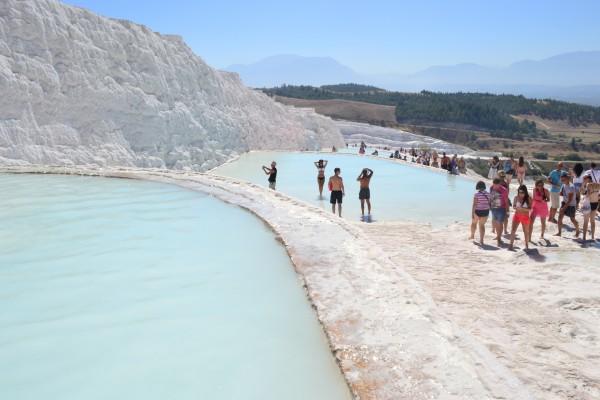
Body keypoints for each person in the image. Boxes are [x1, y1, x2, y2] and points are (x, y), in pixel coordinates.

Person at [555, 171, 580, 237]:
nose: (562, 180)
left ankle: (578, 230)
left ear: (567, 178)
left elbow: (570, 200)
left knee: (572, 219)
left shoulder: (571, 187)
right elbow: (562, 193)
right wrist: (560, 193)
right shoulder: (564, 184)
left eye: (563, 179)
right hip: (564, 203)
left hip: (571, 205)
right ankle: (559, 232)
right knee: (560, 217)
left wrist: (564, 208)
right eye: (561, 179)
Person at [509, 185, 532, 250]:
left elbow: (530, 209)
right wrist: (516, 208)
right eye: (519, 192)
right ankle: (510, 245)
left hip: (525, 216)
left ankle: (527, 246)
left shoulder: (529, 198)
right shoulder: (516, 197)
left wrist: (522, 209)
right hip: (517, 215)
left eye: (522, 192)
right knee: (513, 230)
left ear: (525, 192)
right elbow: (513, 206)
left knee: (525, 232)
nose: (521, 194)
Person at [470, 181, 490, 245]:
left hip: (478, 211)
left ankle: (472, 235)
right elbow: (489, 203)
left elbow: (474, 204)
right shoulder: (488, 194)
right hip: (485, 211)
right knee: (482, 225)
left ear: (477, 186)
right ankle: (481, 240)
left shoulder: (476, 194)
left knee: (474, 223)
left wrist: (472, 213)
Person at [490, 178, 509, 246]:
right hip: (494, 208)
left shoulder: (504, 190)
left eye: (496, 185)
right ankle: (498, 237)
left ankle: (499, 239)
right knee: (495, 223)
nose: (494, 187)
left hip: (501, 209)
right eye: (494, 185)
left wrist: (507, 212)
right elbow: (491, 197)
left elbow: (506, 201)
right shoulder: (491, 187)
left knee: (500, 224)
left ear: (499, 184)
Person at [581, 174, 600, 240]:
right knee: (592, 221)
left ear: (588, 179)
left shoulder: (588, 185)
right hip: (595, 203)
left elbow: (587, 195)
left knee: (586, 221)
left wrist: (583, 186)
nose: (583, 180)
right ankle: (592, 237)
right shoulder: (598, 185)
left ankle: (584, 237)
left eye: (584, 179)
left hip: (588, 204)